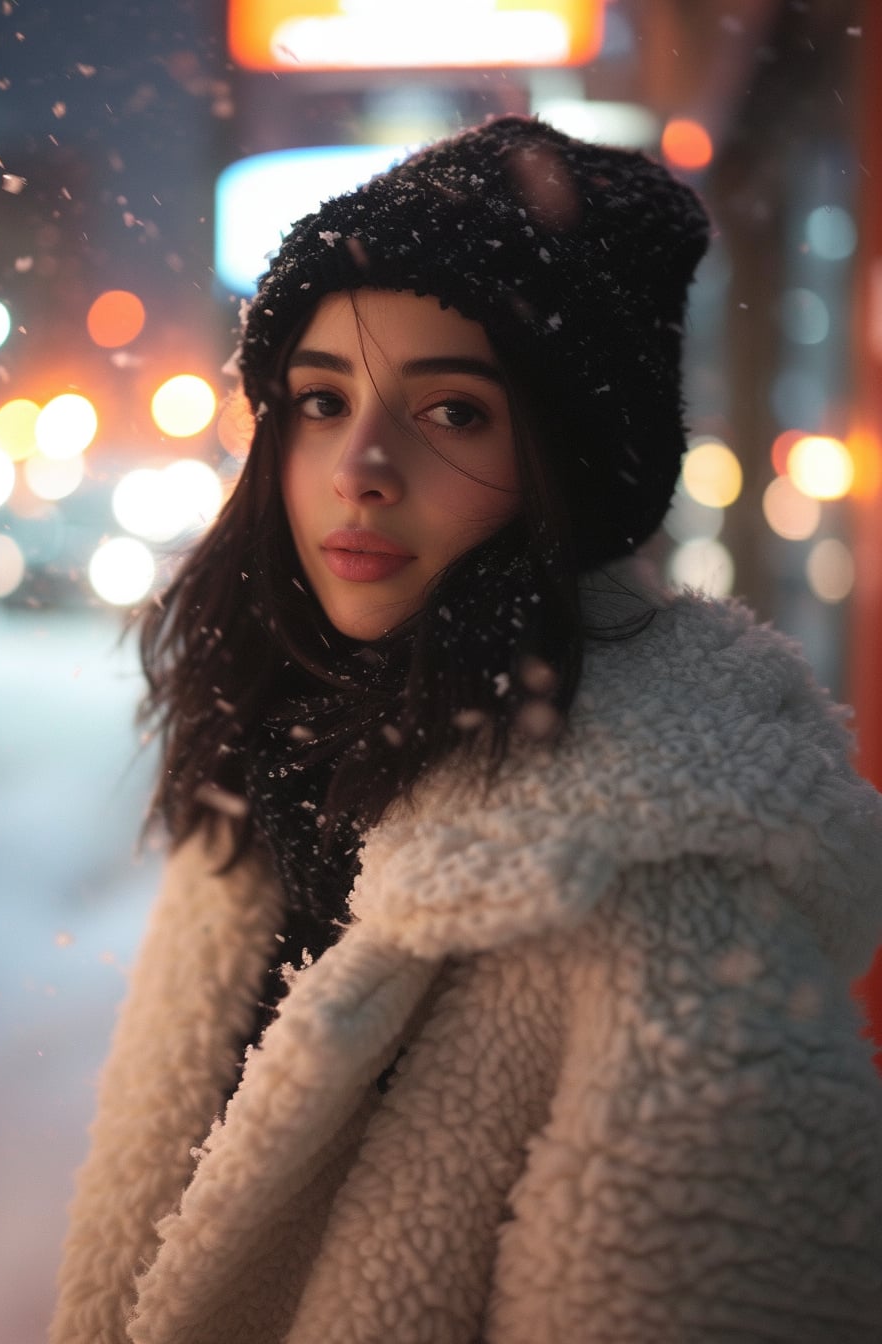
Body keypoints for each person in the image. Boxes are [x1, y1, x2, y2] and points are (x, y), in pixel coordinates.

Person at [51, 115, 882, 1343]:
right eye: (320, 400)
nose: (360, 467)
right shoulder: (271, 772)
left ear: (573, 464)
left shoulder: (664, 901)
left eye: (453, 413)